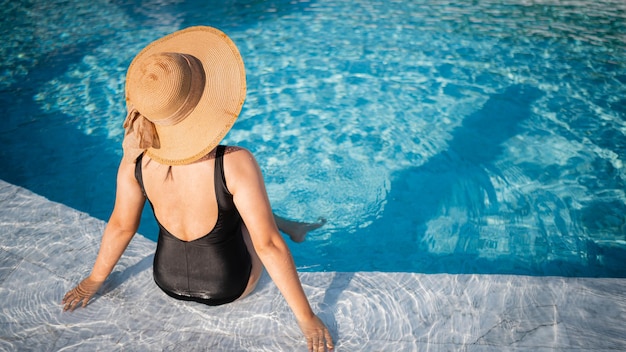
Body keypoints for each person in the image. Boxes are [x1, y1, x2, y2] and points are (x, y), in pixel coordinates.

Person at [62, 26, 334, 352]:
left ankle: (291, 225)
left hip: (166, 279)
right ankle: (293, 227)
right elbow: (268, 246)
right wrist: (306, 318)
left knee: (237, 203)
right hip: (229, 285)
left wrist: (94, 280)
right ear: (204, 102)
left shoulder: (135, 160)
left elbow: (121, 225)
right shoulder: (235, 161)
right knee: (245, 209)